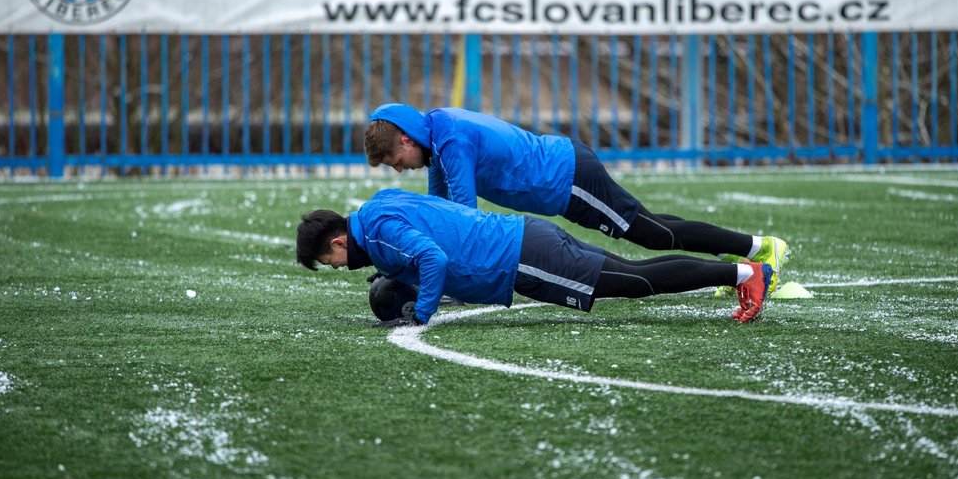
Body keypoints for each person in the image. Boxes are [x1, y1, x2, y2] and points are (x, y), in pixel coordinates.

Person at [363, 103, 789, 294]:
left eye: (394, 159)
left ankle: (758, 249)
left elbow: (464, 222)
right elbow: (441, 216)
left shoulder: (450, 142)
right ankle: (740, 258)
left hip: (567, 176)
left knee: (652, 234)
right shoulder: (437, 140)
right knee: (652, 227)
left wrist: (423, 271)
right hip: (563, 183)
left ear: (406, 138)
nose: (399, 168)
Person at [295, 188, 775, 325]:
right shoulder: (379, 204)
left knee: (635, 282)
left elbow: (434, 259)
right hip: (522, 238)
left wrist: (421, 313)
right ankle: (743, 270)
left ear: (337, 243)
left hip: (518, 258)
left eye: (330, 261)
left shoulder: (377, 232)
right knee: (633, 272)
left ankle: (745, 272)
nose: (338, 267)